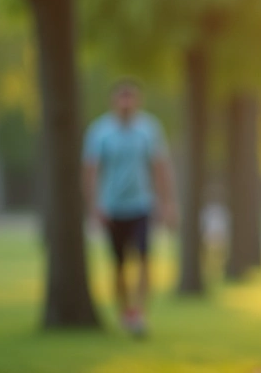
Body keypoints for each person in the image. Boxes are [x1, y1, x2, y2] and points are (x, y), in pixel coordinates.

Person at [82, 79, 177, 337]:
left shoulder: (149, 129)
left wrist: (167, 203)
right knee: (119, 266)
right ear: (113, 102)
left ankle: (141, 314)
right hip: (111, 207)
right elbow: (91, 171)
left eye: (130, 98)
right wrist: (93, 208)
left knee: (145, 260)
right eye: (121, 98)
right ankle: (126, 313)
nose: (126, 103)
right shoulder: (100, 131)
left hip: (142, 205)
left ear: (137, 101)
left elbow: (159, 167)